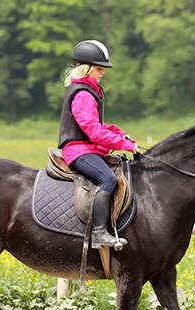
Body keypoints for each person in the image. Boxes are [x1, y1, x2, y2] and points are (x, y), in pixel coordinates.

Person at [58, 40, 139, 249]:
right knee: (108, 178)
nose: (102, 73)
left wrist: (120, 133)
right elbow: (94, 133)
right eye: (99, 68)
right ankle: (99, 234)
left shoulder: (90, 91)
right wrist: (125, 145)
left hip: (87, 148)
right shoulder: (83, 94)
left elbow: (98, 125)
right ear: (86, 68)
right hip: (79, 150)